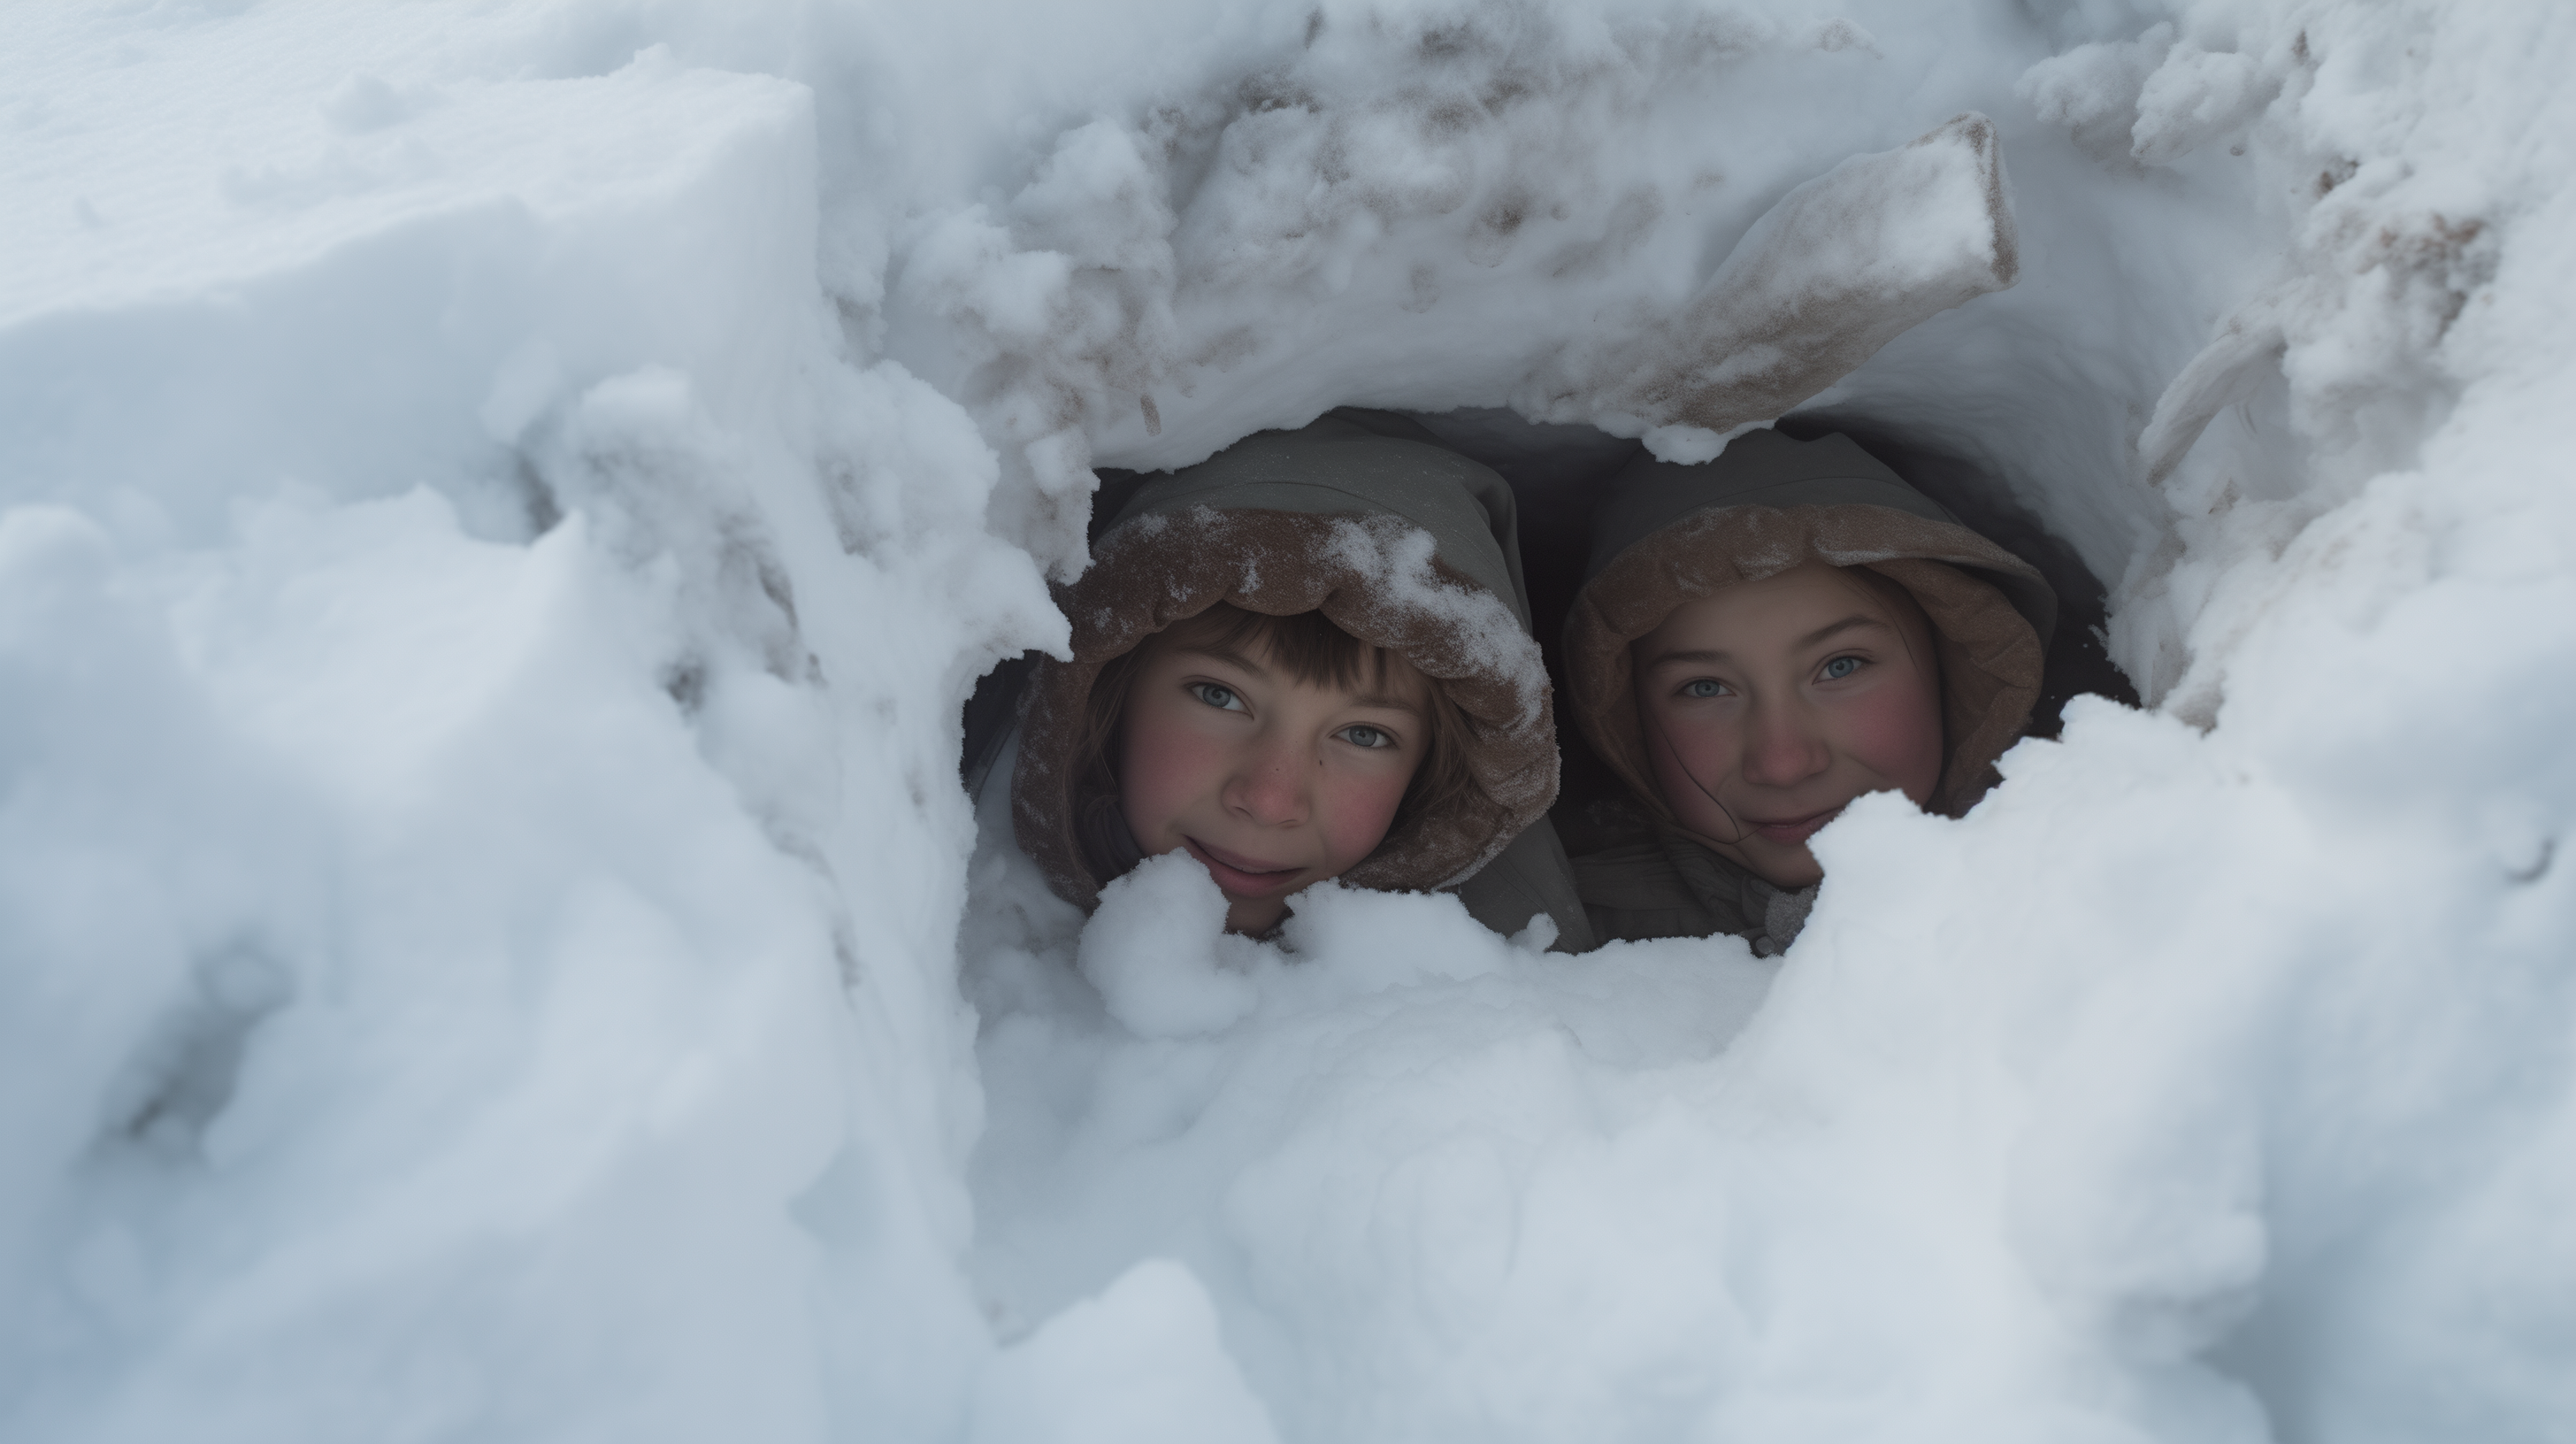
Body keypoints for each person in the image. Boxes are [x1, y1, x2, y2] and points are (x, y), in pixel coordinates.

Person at [1000, 408, 1593, 947]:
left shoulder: (1515, 988)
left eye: (1364, 735)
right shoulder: (965, 918)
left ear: (1432, 779)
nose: (1268, 801)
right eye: (1220, 697)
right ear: (1107, 692)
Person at [1560, 427, 2056, 954]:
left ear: (1953, 667)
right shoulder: (1558, 950)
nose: (1783, 764)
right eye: (1705, 688)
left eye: (1841, 666)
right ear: (1626, 721)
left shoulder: (2082, 885)